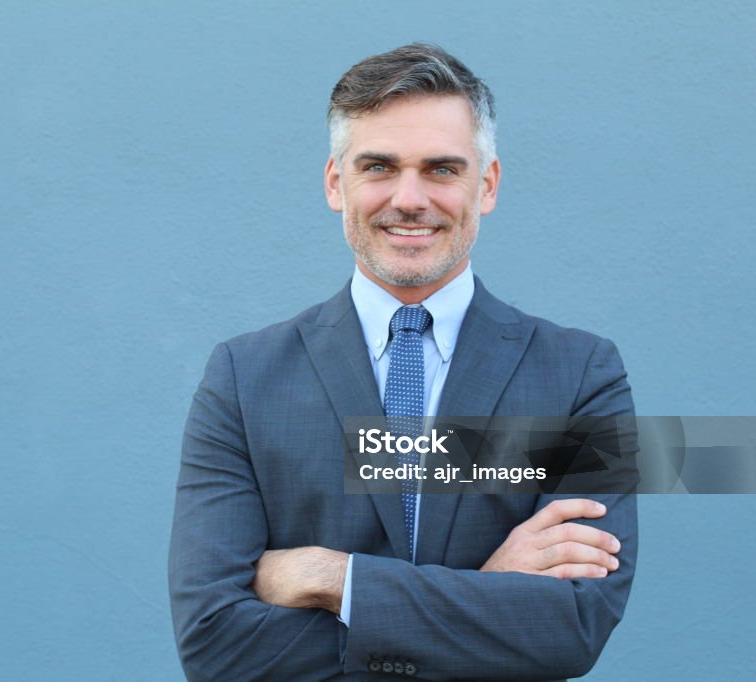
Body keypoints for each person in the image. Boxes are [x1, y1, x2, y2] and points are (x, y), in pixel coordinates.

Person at [168, 43, 636, 681]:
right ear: (337, 182)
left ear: (487, 185)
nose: (410, 198)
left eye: (442, 169)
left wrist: (331, 578)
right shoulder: (243, 380)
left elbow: (572, 629)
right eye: (379, 166)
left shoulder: (582, 376)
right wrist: (485, 592)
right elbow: (215, 645)